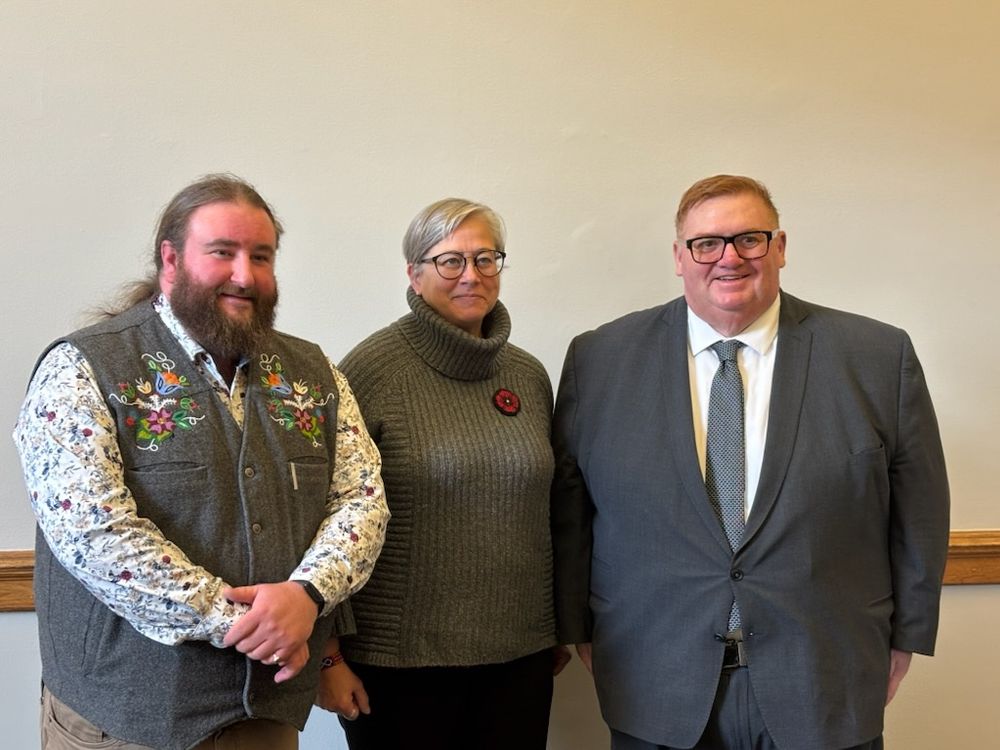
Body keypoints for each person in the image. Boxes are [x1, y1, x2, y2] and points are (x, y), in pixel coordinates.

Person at [552, 175, 950, 750]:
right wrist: (577, 628)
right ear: (679, 257)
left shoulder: (878, 357)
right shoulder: (599, 360)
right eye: (706, 243)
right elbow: (570, 513)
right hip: (652, 677)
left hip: (826, 677)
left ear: (780, 247)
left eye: (749, 239)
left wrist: (907, 635)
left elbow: (920, 510)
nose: (729, 258)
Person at [13, 174, 389, 750]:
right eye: (222, 252)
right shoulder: (81, 369)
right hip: (124, 721)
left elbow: (361, 500)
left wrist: (308, 595)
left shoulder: (315, 376)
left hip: (265, 717)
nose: (245, 275)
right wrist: (248, 624)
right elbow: (93, 532)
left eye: (260, 256)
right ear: (171, 260)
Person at [315, 198, 569, 749]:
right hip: (398, 668)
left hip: (520, 659)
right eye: (450, 260)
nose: (470, 275)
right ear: (414, 273)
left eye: (485, 258)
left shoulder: (528, 376)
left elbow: (548, 511)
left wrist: (552, 625)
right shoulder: (372, 371)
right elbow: (324, 516)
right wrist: (327, 656)